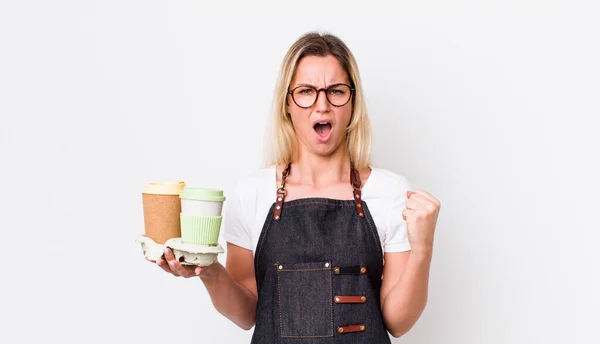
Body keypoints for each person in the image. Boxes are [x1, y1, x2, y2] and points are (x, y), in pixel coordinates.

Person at [150, 32, 441, 343]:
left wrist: (422, 250)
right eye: (306, 91)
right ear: (287, 103)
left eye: (336, 91)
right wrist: (208, 271)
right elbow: (246, 313)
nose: (322, 105)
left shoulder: (390, 191)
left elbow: (398, 322)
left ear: (352, 102)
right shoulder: (252, 192)